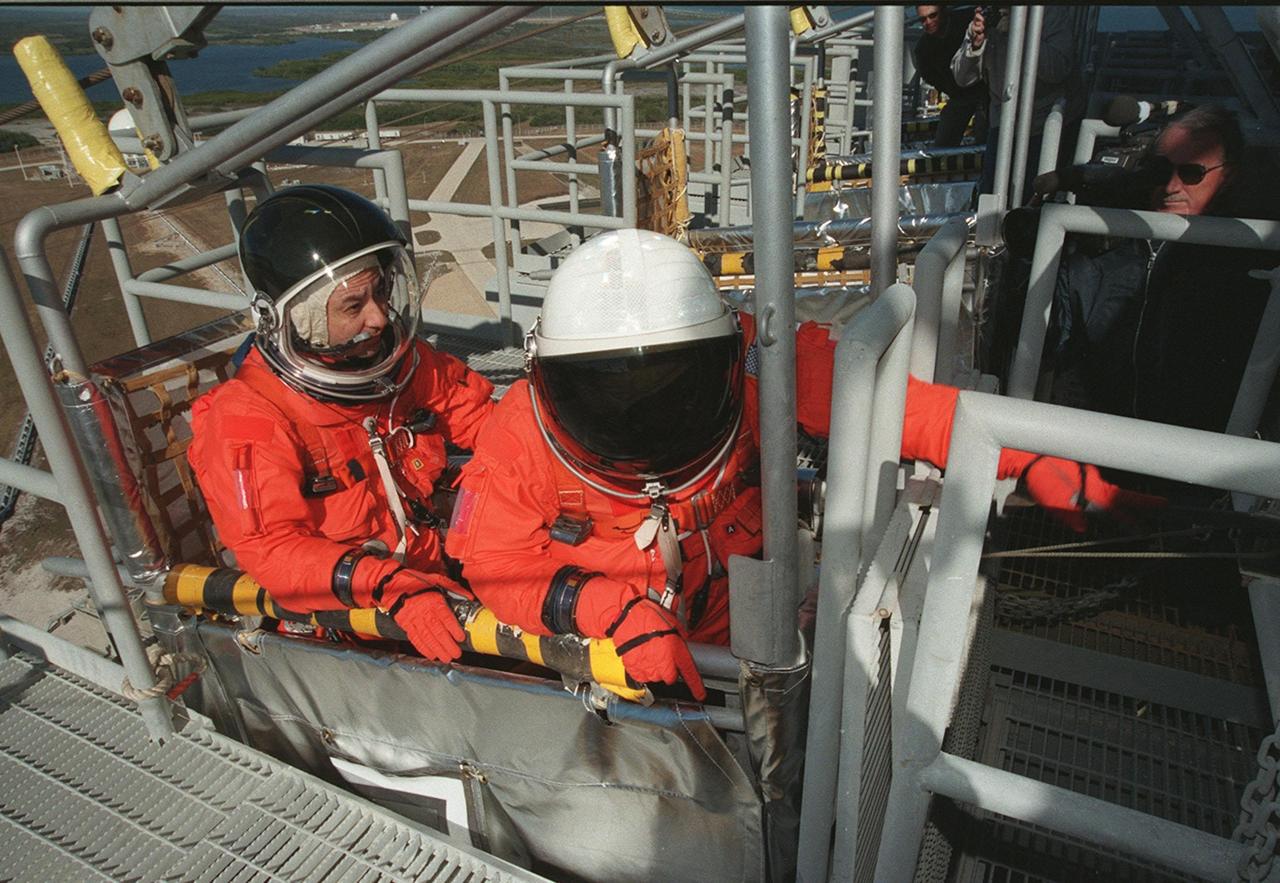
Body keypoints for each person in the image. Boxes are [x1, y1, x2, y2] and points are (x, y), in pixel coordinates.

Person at [446, 229, 1155, 699]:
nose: (645, 423)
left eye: (671, 391)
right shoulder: (521, 433)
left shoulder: (761, 364)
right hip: (618, 651)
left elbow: (894, 405)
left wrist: (1026, 456)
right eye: (614, 400)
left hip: (746, 619)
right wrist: (612, 611)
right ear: (548, 378)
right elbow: (493, 559)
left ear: (723, 350)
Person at [188, 185, 496, 665]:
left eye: (380, 293)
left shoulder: (402, 366)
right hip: (357, 625)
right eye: (353, 306)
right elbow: (272, 549)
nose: (378, 318)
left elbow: (488, 423)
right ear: (297, 318)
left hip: (439, 572)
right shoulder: (249, 419)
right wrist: (388, 584)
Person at [1049, 105, 1280, 433]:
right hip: (1095, 442)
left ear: (1228, 177)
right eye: (1160, 170)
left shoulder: (1253, 262)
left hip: (1196, 455)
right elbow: (1056, 349)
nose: (1171, 186)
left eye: (1192, 173)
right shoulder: (1105, 243)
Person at [951, 5, 1084, 199]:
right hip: (1003, 120)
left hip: (1044, 123)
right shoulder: (990, 16)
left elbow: (1058, 69)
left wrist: (1020, 32)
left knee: (1037, 196)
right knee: (991, 194)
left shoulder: (1049, 13)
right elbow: (962, 78)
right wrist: (975, 44)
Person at [913, 5, 988, 148]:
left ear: (943, 12)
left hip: (985, 88)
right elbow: (930, 75)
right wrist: (952, 89)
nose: (928, 22)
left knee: (985, 132)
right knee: (944, 137)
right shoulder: (923, 49)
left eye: (933, 16)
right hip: (959, 94)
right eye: (923, 19)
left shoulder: (965, 21)